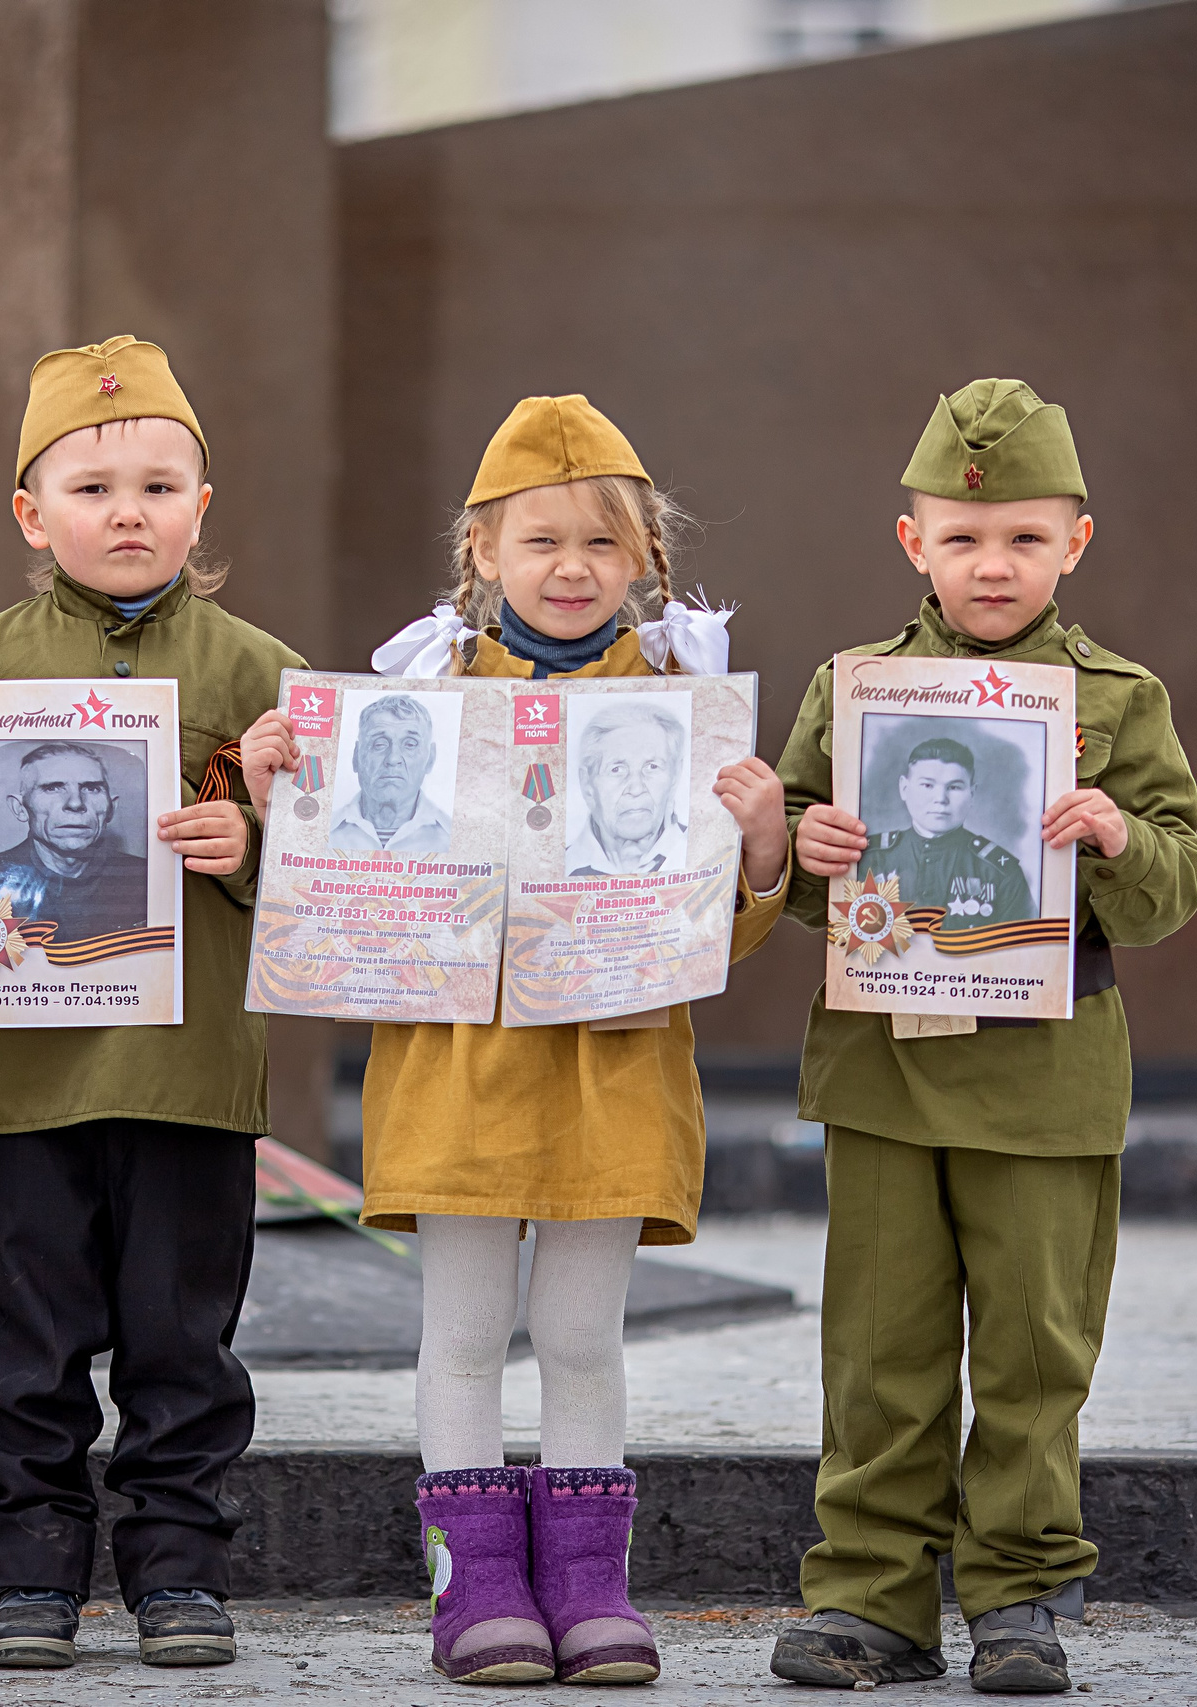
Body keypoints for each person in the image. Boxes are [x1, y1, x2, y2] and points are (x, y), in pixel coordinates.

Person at [243, 395, 788, 1688]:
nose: (571, 567)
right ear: (481, 550)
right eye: (540, 540)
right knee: (466, 1328)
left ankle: (591, 1581)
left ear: (645, 558)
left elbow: (718, 924)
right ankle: (477, 1581)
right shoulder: (416, 701)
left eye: (601, 543)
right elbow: (343, 885)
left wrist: (761, 840)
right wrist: (277, 789)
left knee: (585, 1333)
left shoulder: (682, 711)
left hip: (613, 1067)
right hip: (458, 1071)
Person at [0, 336, 303, 1672]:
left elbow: (352, 878)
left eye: (158, 487)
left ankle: (178, 1571)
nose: (127, 512)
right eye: (92, 487)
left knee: (185, 1344)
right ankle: (30, 1575)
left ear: (201, 507)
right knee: (24, 1345)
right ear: (29, 512)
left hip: (189, 1073)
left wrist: (258, 842)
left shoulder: (264, 673)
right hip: (25, 1079)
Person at [768, 381, 1197, 1694]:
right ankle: (868, 1600)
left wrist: (1117, 838)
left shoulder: (1118, 700)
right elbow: (783, 855)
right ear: (914, 544)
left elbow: (1177, 881)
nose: (992, 563)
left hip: (1045, 1081)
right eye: (961, 538)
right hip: (885, 1071)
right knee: (879, 1355)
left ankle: (1019, 1597)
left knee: (1031, 1353)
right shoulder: (853, 690)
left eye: (1023, 537)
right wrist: (801, 845)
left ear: (1076, 542)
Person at [0, 740, 148, 942]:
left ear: (111, 808)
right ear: (20, 808)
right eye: (52, 788)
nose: (75, 803)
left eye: (92, 788)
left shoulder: (146, 878)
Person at [854, 735, 1034, 925]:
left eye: (954, 787)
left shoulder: (1000, 872)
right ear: (904, 788)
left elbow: (1024, 942)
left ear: (971, 794)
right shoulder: (869, 859)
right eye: (927, 785)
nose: (940, 798)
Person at [566, 699, 689, 876]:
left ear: (675, 774)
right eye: (617, 769)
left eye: (652, 767)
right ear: (587, 783)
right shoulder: (551, 865)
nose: (636, 789)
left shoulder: (706, 848)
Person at [327, 694, 453, 852]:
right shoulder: (319, 832)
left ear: (430, 758)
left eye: (410, 744)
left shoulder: (454, 837)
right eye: (379, 744)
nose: (393, 759)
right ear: (356, 756)